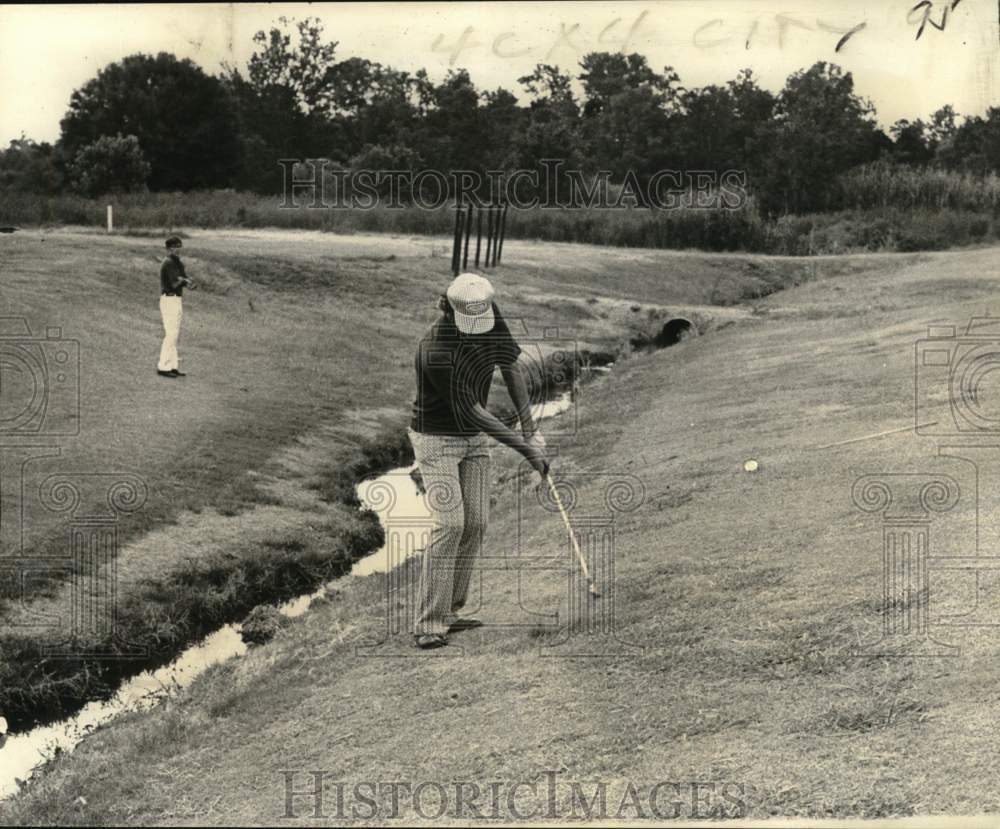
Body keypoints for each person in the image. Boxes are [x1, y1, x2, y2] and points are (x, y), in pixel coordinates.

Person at [409, 272, 549, 649]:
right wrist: (526, 450)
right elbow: (473, 412)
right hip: (435, 439)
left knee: (477, 523)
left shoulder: (485, 309)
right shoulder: (435, 349)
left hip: (472, 440)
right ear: (450, 310)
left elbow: (510, 366)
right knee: (451, 523)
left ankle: (450, 611)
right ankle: (429, 623)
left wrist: (529, 426)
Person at [157, 236, 195, 378]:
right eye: (174, 247)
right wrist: (185, 281)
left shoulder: (177, 262)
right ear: (168, 248)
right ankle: (163, 366)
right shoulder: (168, 262)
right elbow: (174, 283)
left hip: (176, 300)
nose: (177, 249)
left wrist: (188, 282)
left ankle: (172, 366)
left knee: (174, 335)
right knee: (171, 334)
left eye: (179, 246)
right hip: (169, 299)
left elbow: (183, 278)